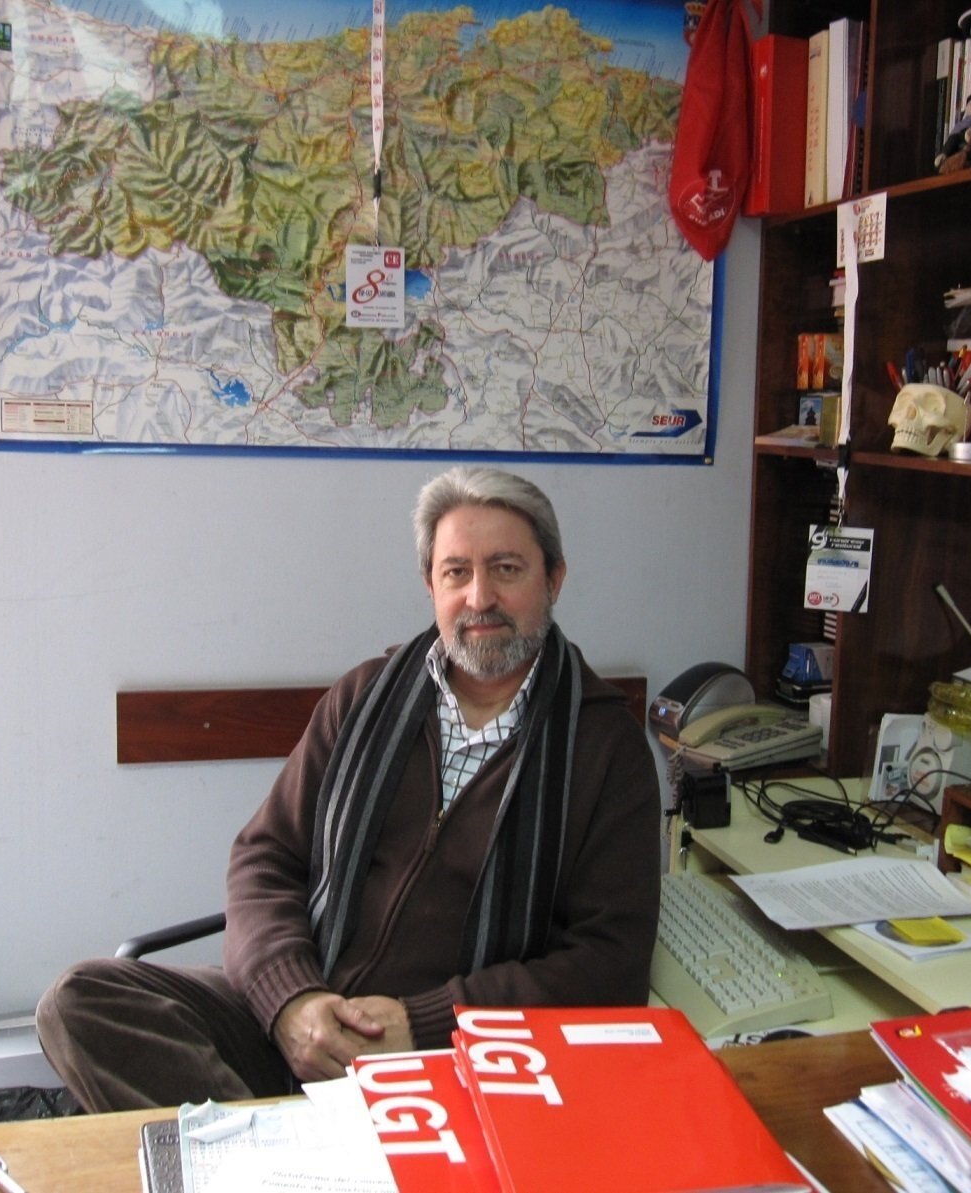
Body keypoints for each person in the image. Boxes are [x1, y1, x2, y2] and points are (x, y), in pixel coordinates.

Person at [36, 466, 662, 1110]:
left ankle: (274, 1146)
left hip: (456, 1061)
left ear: (553, 580)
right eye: (456, 572)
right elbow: (265, 858)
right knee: (79, 1001)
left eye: (506, 569)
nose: (480, 597)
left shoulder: (605, 749)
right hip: (302, 1026)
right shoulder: (366, 697)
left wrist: (421, 1025)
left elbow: (609, 966)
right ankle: (291, 1148)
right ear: (431, 586)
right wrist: (292, 1000)